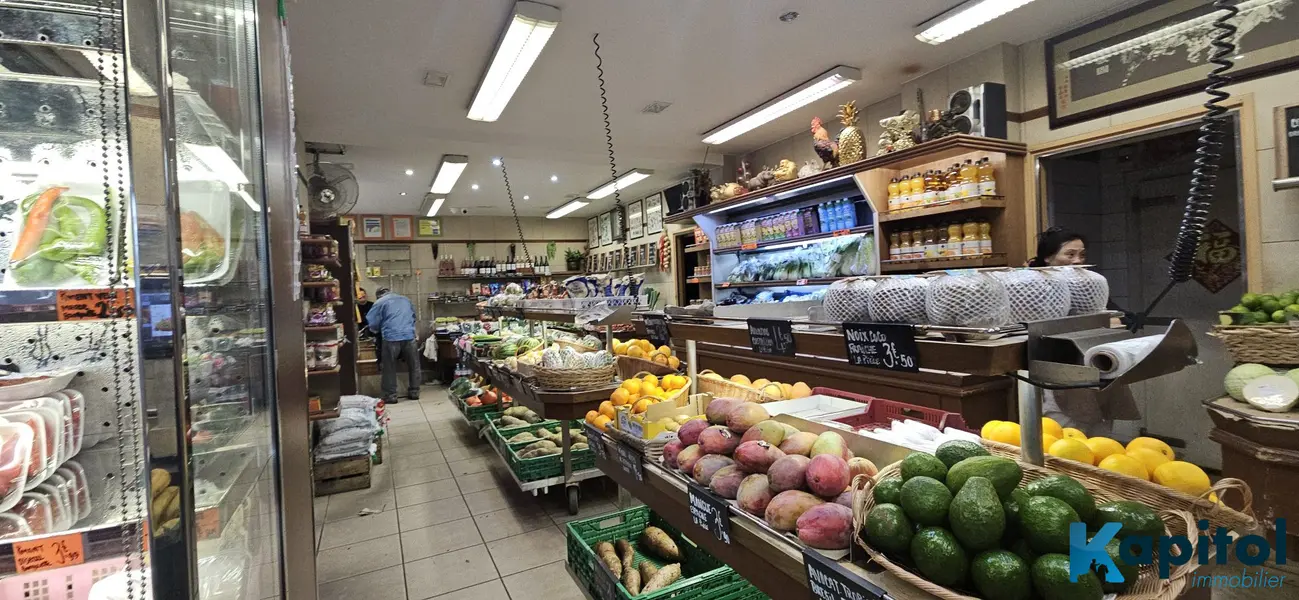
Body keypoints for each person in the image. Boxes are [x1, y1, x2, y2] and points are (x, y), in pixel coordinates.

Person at [1028, 227, 1139, 437]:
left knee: (1100, 440)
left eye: (1082, 255)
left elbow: (1118, 317)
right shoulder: (1033, 288)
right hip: (1058, 376)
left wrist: (1124, 319)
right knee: (1064, 437)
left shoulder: (1090, 286)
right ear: (1048, 258)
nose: (1078, 261)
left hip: (1096, 372)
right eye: (1069, 254)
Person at [365, 288, 422, 403]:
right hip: (409, 335)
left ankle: (390, 395)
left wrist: (374, 331)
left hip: (391, 337)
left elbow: (373, 324)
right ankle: (414, 392)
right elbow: (414, 317)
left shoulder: (379, 302)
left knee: (389, 367)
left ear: (378, 296)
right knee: (414, 365)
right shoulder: (405, 300)